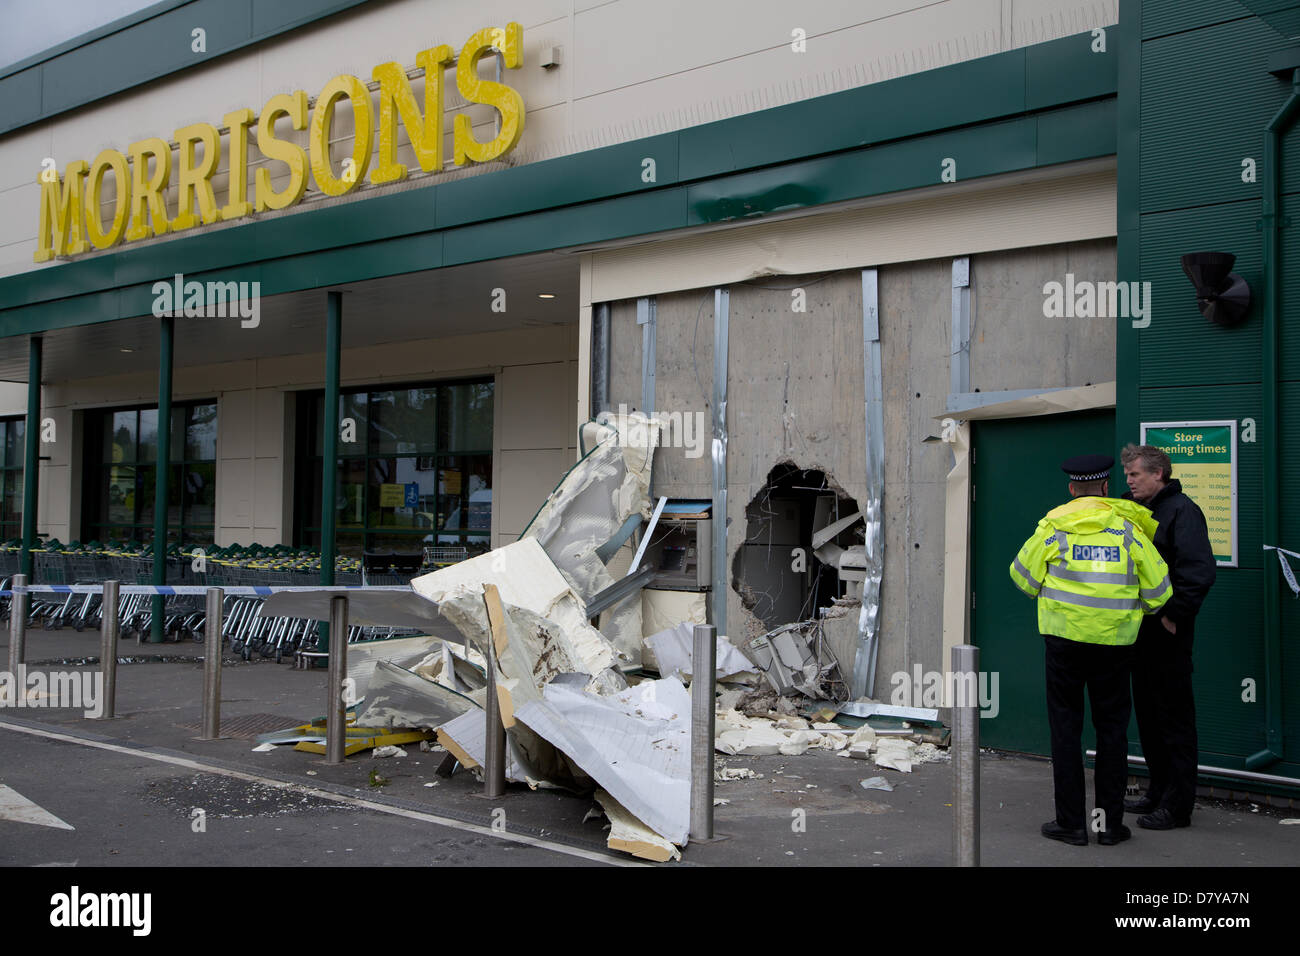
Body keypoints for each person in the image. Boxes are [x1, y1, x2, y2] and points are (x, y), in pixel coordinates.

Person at [1009, 454, 1172, 846]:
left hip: (1064, 644)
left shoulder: (1053, 528)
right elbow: (1159, 593)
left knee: (1066, 732)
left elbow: (1023, 578)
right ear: (1103, 489)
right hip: (1114, 647)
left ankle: (1071, 824)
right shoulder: (1128, 530)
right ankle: (1107, 826)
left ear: (1071, 490)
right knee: (1112, 735)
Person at [1120, 443, 1216, 830]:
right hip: (1139, 632)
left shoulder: (1183, 511)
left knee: (1174, 719)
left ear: (1158, 474)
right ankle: (1157, 792)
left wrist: (1174, 615)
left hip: (1166, 633)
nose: (1129, 480)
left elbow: (1198, 571)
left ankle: (1178, 807)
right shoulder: (1138, 510)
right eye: (1127, 475)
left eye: (1135, 475)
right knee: (1149, 715)